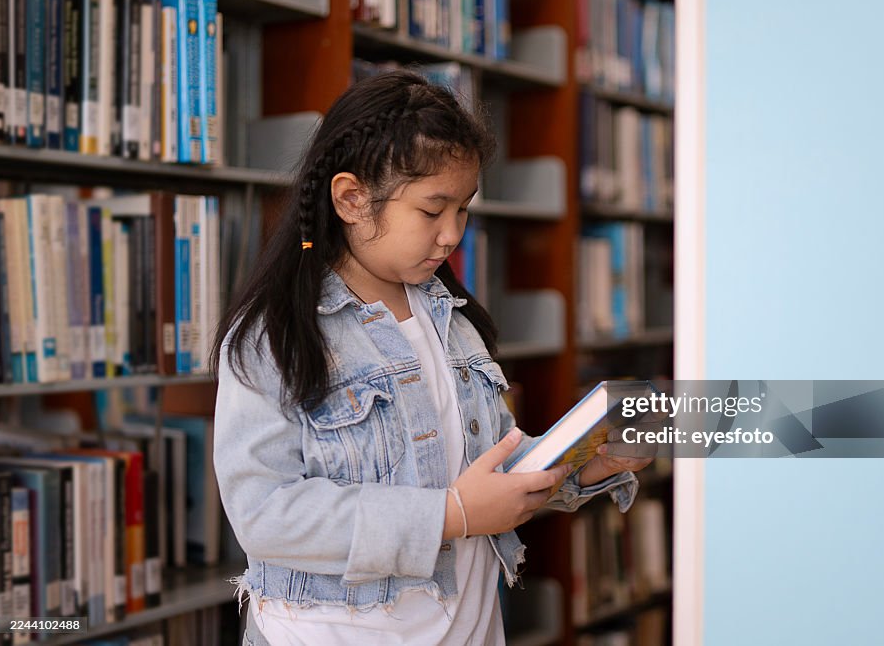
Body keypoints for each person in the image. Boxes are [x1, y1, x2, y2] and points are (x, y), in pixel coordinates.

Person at [211, 70, 653, 646]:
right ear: (351, 199)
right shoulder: (273, 336)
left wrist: (580, 465)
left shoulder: (454, 318)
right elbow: (265, 514)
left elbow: (485, 476)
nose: (452, 235)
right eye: (431, 210)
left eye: (463, 209)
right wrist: (452, 516)